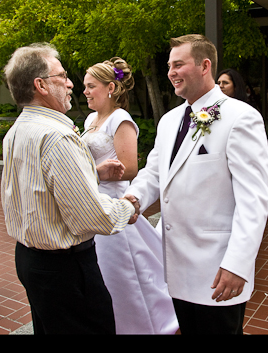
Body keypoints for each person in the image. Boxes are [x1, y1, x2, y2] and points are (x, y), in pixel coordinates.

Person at [124, 34, 268, 335]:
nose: (171, 72)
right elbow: (155, 172)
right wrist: (133, 198)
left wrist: (238, 264)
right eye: (169, 66)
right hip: (176, 267)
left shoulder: (241, 117)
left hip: (217, 268)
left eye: (178, 64)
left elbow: (253, 199)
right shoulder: (168, 121)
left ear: (205, 66)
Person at [1, 43, 136, 334]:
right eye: (62, 76)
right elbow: (95, 218)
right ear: (41, 86)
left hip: (29, 259)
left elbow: (40, 187)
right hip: (64, 268)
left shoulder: (17, 130)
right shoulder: (57, 137)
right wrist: (129, 206)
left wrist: (93, 173)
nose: (71, 84)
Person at [82, 57, 178, 334]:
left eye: (91, 86)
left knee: (121, 271)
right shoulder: (90, 119)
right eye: (85, 86)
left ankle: (138, 323)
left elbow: (131, 168)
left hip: (114, 202)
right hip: (92, 202)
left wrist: (93, 174)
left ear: (110, 88)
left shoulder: (120, 119)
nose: (85, 92)